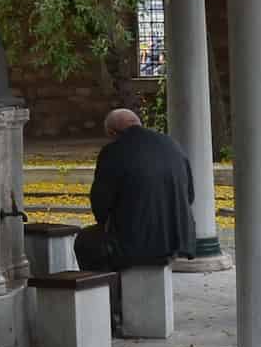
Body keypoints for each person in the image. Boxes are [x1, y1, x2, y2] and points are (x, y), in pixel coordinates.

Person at [78, 106, 197, 272]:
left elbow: (101, 202)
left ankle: (108, 294)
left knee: (85, 242)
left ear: (112, 133)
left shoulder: (113, 151)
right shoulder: (172, 144)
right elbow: (189, 195)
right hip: (178, 238)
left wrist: (105, 222)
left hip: (137, 241)